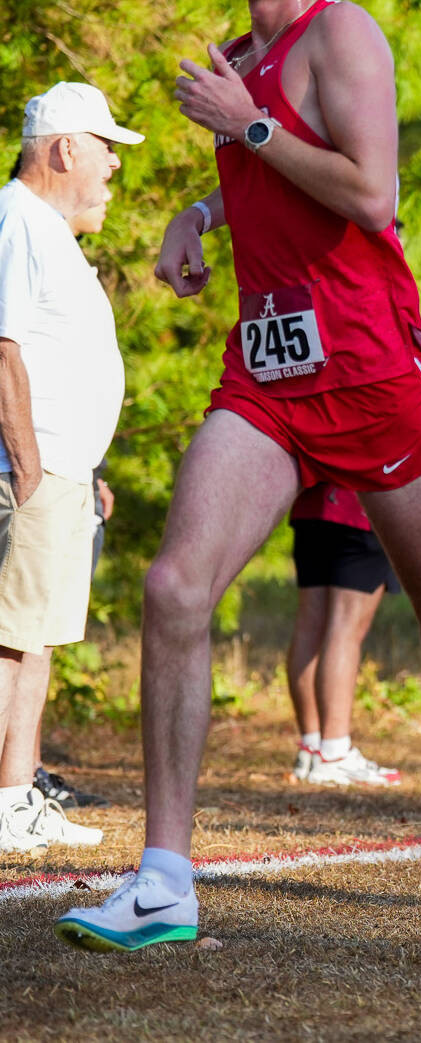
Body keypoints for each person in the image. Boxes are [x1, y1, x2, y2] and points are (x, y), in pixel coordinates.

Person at [55, 0, 421, 952]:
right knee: (175, 587)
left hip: (369, 373)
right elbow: (266, 183)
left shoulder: (341, 32)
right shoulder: (240, 54)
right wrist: (197, 212)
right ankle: (165, 881)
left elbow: (371, 194)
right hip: (268, 377)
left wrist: (250, 126)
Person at [0, 83, 142, 853]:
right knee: (9, 638)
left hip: (61, 471)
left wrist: (82, 468)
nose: (113, 164)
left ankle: (14, 797)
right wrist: (28, 466)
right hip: (33, 471)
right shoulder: (18, 220)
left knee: (35, 639)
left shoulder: (47, 231)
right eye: (105, 147)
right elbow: (4, 350)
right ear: (65, 149)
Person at [287, 482, 401, 786]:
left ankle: (311, 748)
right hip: (360, 508)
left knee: (309, 627)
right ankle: (333, 753)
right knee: (345, 629)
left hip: (311, 507)